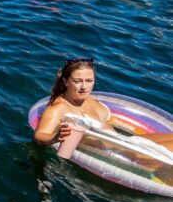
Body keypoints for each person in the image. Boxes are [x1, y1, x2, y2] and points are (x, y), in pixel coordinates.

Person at [34, 59, 173, 151]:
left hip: (125, 142)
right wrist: (56, 137)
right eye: (77, 81)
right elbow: (40, 136)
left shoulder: (91, 101)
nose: (84, 87)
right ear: (65, 81)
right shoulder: (59, 108)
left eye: (89, 81)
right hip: (122, 153)